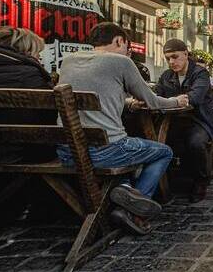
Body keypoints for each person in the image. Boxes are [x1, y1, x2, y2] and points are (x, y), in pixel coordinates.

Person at [57, 22, 188, 235]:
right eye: (127, 46)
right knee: (163, 152)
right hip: (103, 153)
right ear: (119, 40)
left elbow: (95, 96)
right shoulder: (121, 62)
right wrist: (177, 101)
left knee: (127, 150)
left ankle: (125, 189)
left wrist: (126, 103)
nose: (128, 52)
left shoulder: (69, 61)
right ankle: (134, 208)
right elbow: (153, 102)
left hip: (67, 152)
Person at [0, 27, 55, 163]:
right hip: (18, 152)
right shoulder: (30, 75)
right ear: (27, 51)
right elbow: (48, 118)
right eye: (38, 53)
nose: (39, 57)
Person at [156, 39, 213, 202]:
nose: (171, 62)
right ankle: (164, 182)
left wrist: (168, 100)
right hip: (173, 122)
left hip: (198, 121)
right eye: (168, 58)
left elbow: (195, 98)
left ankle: (201, 181)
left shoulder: (200, 73)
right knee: (156, 141)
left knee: (195, 143)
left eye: (175, 57)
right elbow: (156, 95)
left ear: (186, 54)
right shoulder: (166, 75)